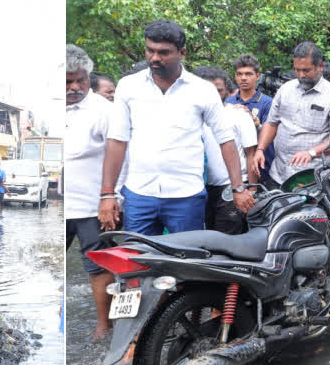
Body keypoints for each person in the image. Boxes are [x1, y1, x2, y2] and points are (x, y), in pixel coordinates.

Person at [100, 20, 253, 235]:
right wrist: (108, 194)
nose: (154, 58)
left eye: (163, 52)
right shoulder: (129, 86)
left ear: (181, 52)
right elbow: (117, 141)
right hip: (139, 193)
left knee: (184, 263)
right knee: (137, 261)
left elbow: (226, 140)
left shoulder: (202, 91)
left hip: (186, 196)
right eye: (150, 50)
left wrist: (238, 189)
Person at [65, 44, 125, 339]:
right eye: (68, 82)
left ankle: (104, 325)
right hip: (61, 205)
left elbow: (122, 157)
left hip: (93, 204)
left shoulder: (105, 111)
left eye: (81, 80)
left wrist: (113, 197)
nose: (75, 87)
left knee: (98, 266)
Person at [252, 42, 330, 188]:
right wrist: (260, 149)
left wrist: (312, 152)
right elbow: (272, 123)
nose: (301, 75)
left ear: (320, 66)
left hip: (314, 180)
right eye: (297, 70)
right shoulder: (285, 90)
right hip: (279, 175)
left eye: (306, 70)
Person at [196, 65, 258, 234]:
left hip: (232, 188)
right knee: (207, 237)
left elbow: (251, 154)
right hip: (201, 189)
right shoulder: (191, 117)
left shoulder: (238, 115)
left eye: (219, 90)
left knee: (229, 240)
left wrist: (251, 192)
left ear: (226, 90)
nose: (213, 96)